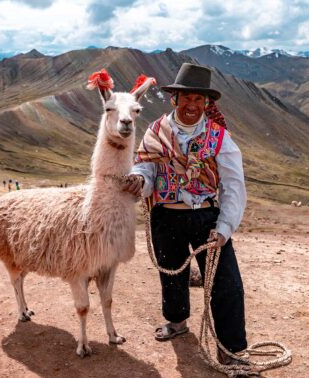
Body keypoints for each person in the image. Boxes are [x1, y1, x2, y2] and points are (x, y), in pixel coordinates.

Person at [123, 63, 248, 368]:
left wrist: (225, 226)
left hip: (207, 217)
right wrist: (139, 180)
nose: (192, 105)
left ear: (207, 103)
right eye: (186, 98)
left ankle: (231, 349)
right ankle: (177, 322)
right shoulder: (156, 133)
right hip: (166, 215)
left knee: (226, 282)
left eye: (198, 100)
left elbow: (233, 185)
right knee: (172, 273)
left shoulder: (219, 138)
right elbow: (146, 168)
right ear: (174, 99)